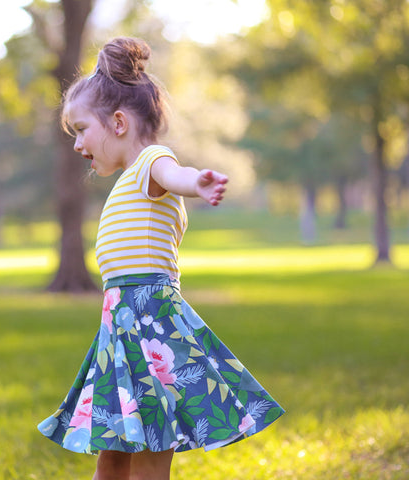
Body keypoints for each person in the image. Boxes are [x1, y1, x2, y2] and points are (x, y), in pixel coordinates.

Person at [37, 37, 284, 480]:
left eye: (80, 129)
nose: (77, 145)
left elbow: (175, 173)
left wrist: (198, 183)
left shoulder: (152, 162)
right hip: (121, 331)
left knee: (152, 448)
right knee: (111, 450)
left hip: (152, 330)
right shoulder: (128, 179)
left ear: (117, 122)